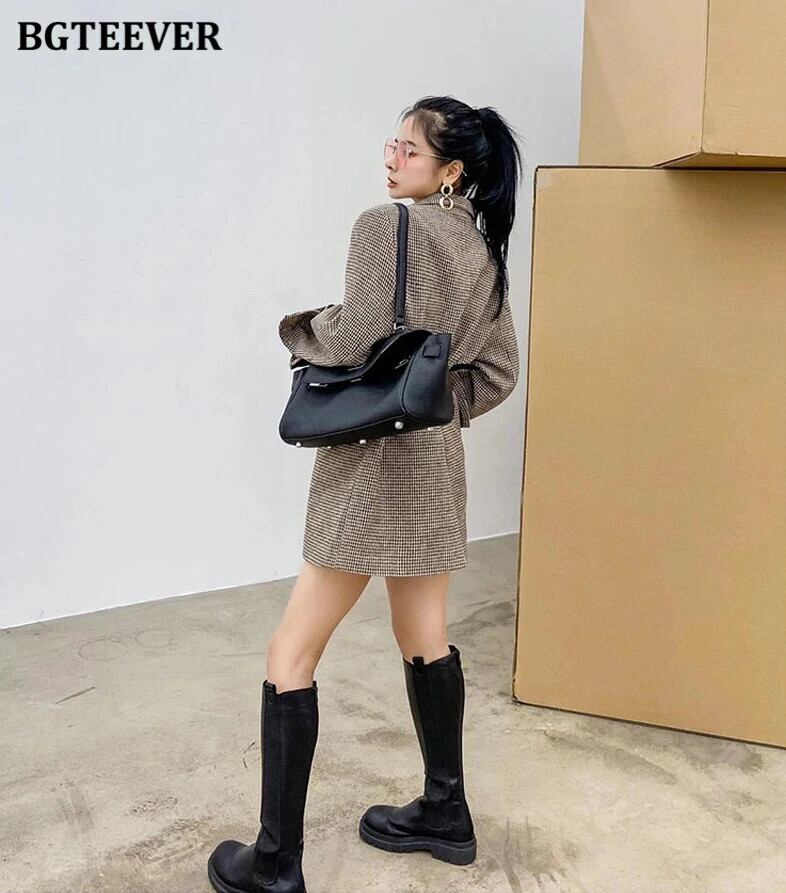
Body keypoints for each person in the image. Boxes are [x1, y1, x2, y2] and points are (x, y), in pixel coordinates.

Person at [207, 95, 523, 893]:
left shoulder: (385, 227)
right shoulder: (483, 253)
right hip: (433, 467)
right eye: (393, 143)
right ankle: (445, 811)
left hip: (367, 465)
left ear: (450, 171)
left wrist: (301, 327)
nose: (391, 157)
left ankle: (275, 863)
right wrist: (433, 404)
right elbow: (498, 372)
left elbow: (354, 337)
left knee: (291, 650)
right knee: (425, 636)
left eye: (409, 149)